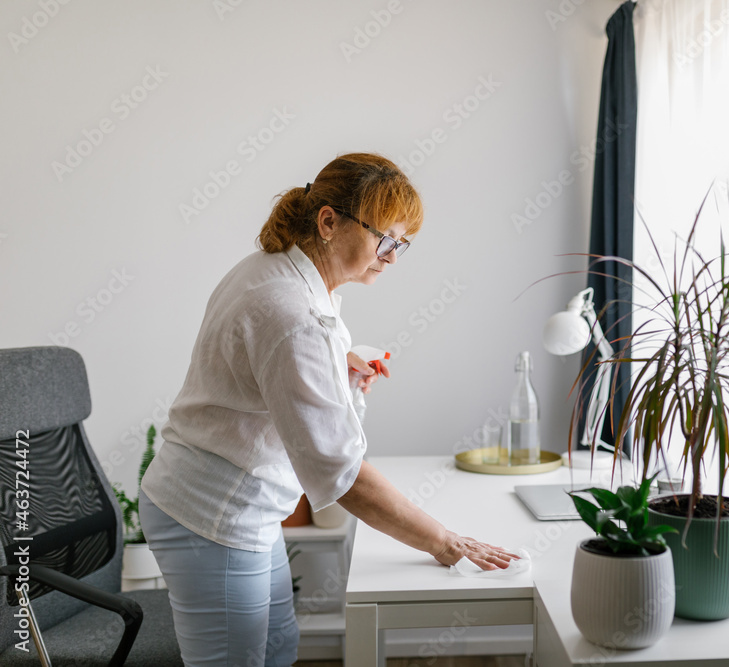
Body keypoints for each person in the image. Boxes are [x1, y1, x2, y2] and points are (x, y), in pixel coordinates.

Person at [138, 153, 517, 667]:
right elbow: (343, 475)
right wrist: (445, 543)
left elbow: (259, 375)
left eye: (401, 243)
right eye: (385, 239)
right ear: (328, 222)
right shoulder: (293, 314)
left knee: (279, 647)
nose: (392, 257)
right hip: (212, 516)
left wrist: (337, 370)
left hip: (236, 507)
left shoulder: (278, 271)